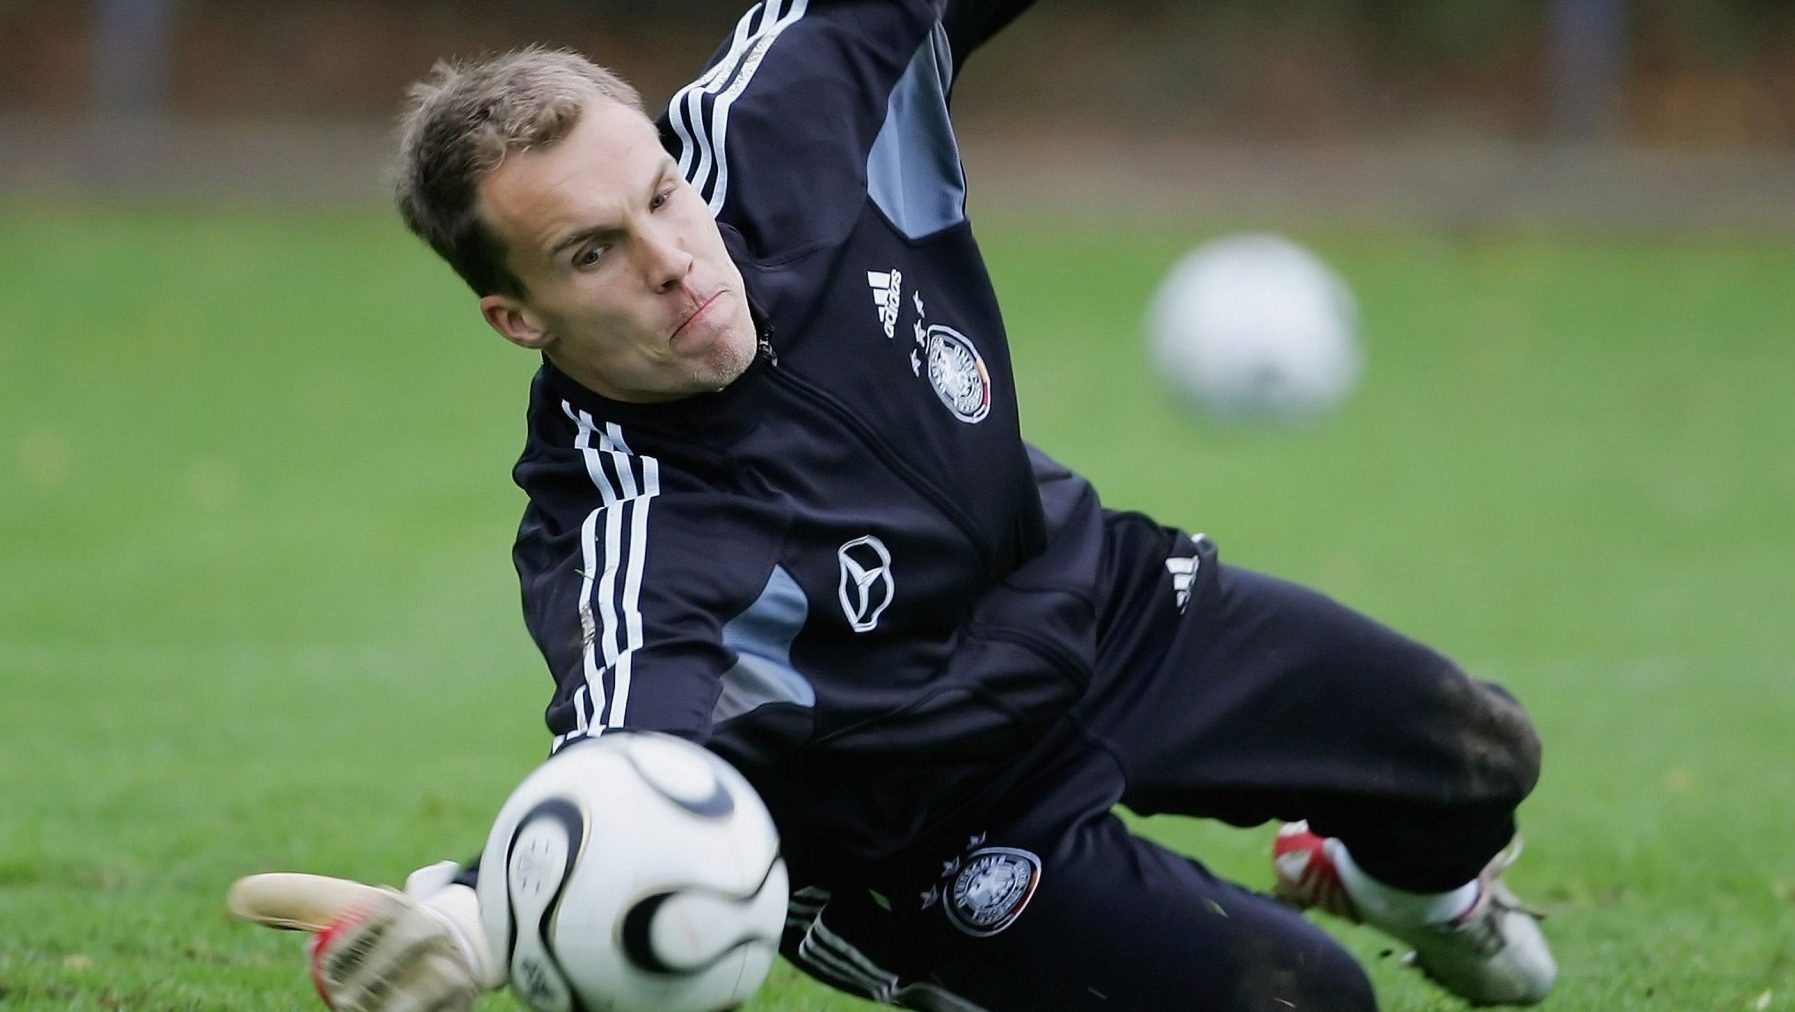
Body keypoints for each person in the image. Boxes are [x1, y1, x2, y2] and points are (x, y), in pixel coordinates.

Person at [280, 2, 1557, 1009]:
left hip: (1096, 605)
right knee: (1307, 1001)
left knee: (1478, 756)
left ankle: (1409, 893)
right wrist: (467, 915)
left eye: (660, 194)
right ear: (518, 318)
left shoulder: (785, 119)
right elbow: (626, 766)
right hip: (927, 836)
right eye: (590, 253)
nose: (671, 259)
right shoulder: (642, 534)